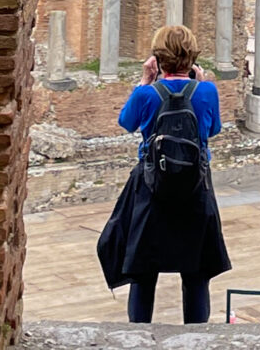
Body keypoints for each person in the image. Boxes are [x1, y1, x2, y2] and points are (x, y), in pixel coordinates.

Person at [97, 25, 231, 324]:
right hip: (196, 188)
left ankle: (138, 337)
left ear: (157, 60)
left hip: (150, 188)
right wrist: (204, 86)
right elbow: (213, 130)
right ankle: (195, 338)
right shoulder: (206, 91)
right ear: (191, 59)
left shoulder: (147, 93)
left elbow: (126, 123)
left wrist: (144, 82)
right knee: (196, 274)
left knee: (143, 273)